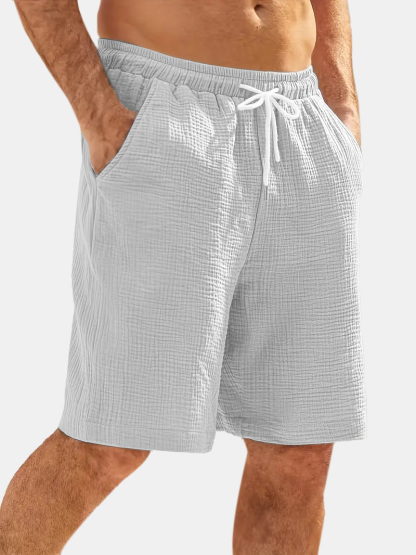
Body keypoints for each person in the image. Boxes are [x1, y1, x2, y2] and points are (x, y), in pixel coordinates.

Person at [0, 1, 367, 553]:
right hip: (168, 110)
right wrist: (100, 115)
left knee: (298, 451)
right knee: (109, 438)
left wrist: (341, 105)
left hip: (301, 121)